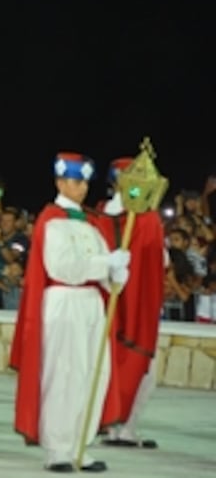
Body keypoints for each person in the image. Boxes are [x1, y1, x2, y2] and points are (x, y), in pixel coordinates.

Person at [11, 152, 129, 472]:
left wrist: (114, 274)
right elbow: (61, 266)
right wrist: (105, 264)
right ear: (60, 182)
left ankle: (80, 444)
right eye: (75, 182)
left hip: (91, 302)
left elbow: (104, 270)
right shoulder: (52, 220)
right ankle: (57, 448)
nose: (81, 189)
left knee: (93, 373)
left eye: (84, 183)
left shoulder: (90, 223)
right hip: (64, 301)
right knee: (64, 373)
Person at [95, 157, 167, 450]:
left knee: (112, 364)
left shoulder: (102, 215)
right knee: (139, 367)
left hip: (112, 300)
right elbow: (160, 261)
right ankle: (121, 428)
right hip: (130, 304)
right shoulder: (146, 219)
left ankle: (115, 426)